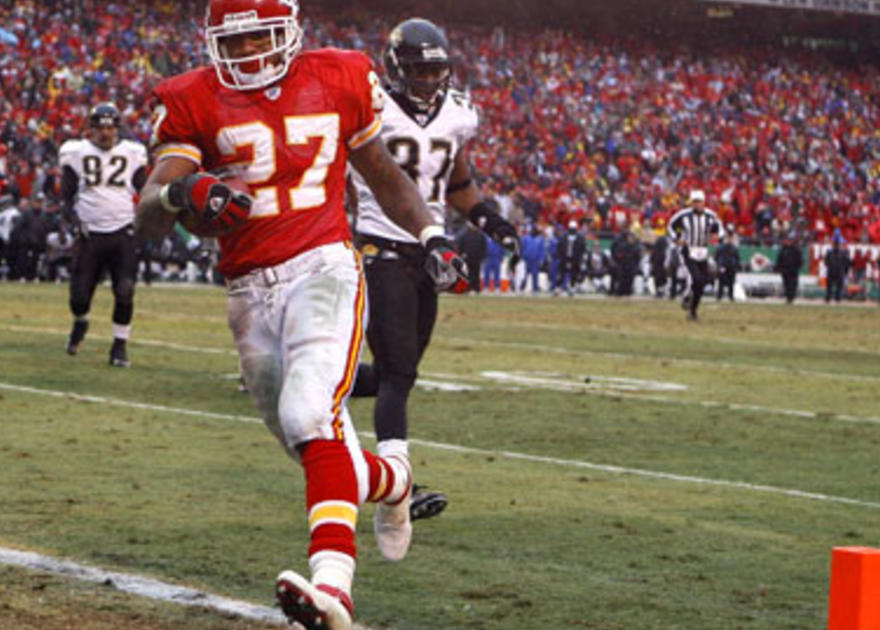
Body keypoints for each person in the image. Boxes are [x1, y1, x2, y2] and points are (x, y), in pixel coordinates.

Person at [135, 2, 470, 627]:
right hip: (246, 288)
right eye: (233, 42)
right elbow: (148, 215)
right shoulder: (189, 97)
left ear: (288, 31)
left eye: (260, 36)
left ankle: (333, 590)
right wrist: (183, 192)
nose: (247, 54)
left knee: (308, 412)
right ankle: (394, 481)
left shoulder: (339, 76)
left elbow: (384, 174)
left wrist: (429, 232)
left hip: (324, 267)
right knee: (309, 444)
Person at [346, 17, 518, 525]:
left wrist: (490, 221)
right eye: (418, 71)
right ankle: (399, 486)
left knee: (397, 373)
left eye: (435, 71)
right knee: (398, 372)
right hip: (382, 246)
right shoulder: (372, 109)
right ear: (398, 69)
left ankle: (316, 385)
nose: (427, 80)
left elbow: (457, 181)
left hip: (432, 253)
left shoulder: (458, 115)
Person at [59, 103, 148, 365]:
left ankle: (119, 347)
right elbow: (67, 194)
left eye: (110, 127)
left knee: (125, 289)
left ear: (117, 128)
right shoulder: (75, 152)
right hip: (90, 234)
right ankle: (80, 322)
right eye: (101, 128)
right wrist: (69, 220)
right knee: (79, 295)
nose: (106, 133)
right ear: (92, 129)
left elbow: (144, 189)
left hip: (123, 230)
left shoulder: (133, 152)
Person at [667, 190, 724, 321]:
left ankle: (693, 310)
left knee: (701, 282)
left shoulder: (711, 216)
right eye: (695, 202)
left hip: (703, 250)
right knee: (695, 278)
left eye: (700, 202)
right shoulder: (683, 215)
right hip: (688, 249)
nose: (697, 205)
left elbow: (720, 229)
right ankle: (687, 295)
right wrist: (676, 239)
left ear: (704, 202)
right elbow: (670, 226)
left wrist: (716, 237)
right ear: (691, 203)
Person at [555, 220, 586, 295]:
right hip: (565, 257)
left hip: (575, 258)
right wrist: (560, 255)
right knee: (562, 273)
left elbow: (583, 248)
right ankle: (558, 288)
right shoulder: (564, 236)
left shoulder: (580, 237)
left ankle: (572, 287)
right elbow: (560, 246)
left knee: (574, 273)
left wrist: (581, 257)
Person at [773, 234, 803, 304]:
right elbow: (779, 260)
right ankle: (788, 297)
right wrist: (778, 268)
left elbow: (799, 260)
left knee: (793, 285)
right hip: (785, 270)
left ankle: (791, 297)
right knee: (786, 284)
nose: (787, 242)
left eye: (789, 240)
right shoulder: (783, 250)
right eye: (786, 240)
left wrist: (797, 267)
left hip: (793, 271)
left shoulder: (796, 250)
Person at [823, 237, 850, 304]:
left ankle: (837, 299)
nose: (836, 245)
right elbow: (826, 261)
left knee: (839, 287)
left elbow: (846, 263)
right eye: (835, 244)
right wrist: (829, 266)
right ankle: (828, 298)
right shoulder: (829, 252)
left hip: (839, 272)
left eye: (837, 244)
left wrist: (845, 271)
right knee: (829, 286)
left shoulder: (843, 253)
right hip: (831, 271)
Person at [715, 232, 740, 301]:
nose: (729, 240)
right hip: (723, 266)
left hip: (731, 267)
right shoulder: (720, 247)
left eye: (730, 238)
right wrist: (719, 265)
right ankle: (719, 296)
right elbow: (717, 257)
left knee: (731, 282)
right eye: (728, 238)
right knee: (721, 282)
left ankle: (731, 296)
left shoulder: (734, 248)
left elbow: (737, 258)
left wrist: (736, 266)